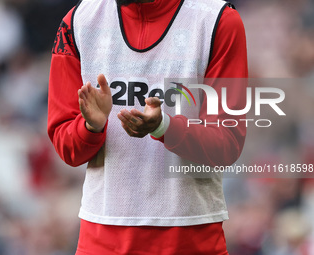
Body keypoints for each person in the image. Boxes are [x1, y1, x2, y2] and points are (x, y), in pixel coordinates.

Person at [48, 0, 248, 254]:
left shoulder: (218, 21)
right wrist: (91, 127)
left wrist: (164, 127)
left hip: (190, 238)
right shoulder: (76, 21)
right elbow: (67, 148)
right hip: (101, 237)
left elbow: (226, 144)